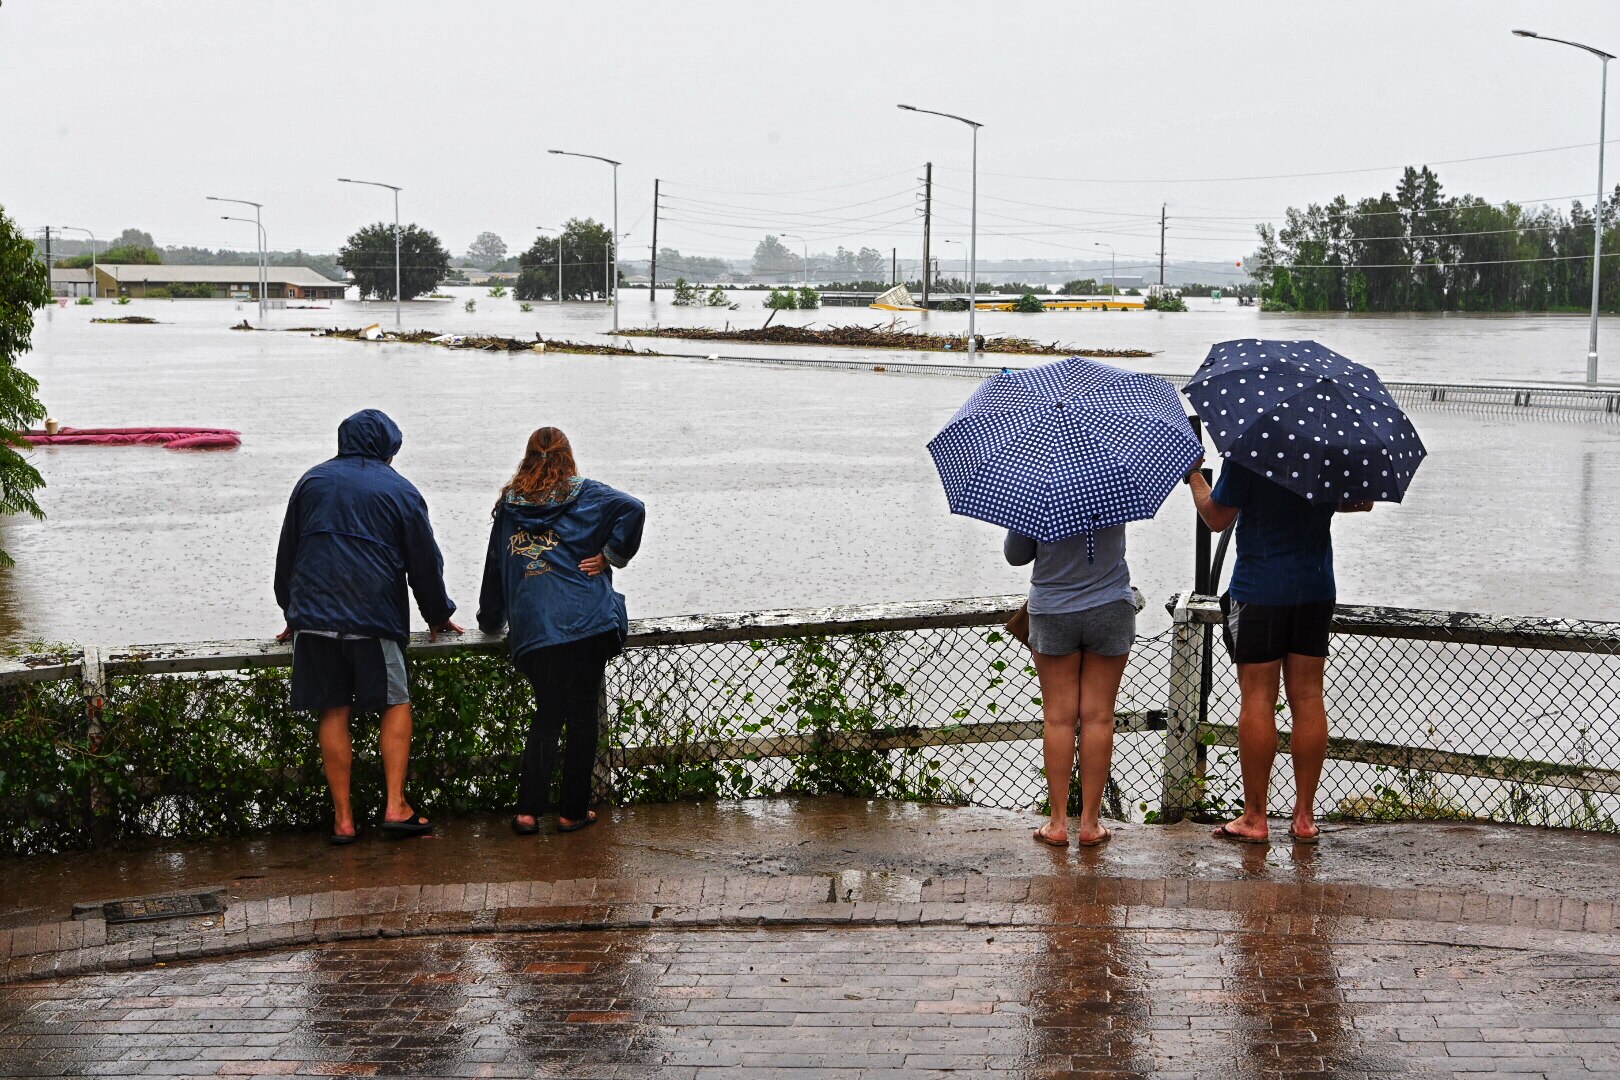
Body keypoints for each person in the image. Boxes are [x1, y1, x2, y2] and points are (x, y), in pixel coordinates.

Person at [274, 409, 462, 845]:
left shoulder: (311, 482)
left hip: (315, 617)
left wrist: (291, 611)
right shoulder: (401, 491)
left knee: (333, 708)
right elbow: (424, 564)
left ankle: (344, 820)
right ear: (388, 447)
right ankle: (395, 806)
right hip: (373, 616)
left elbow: (288, 552)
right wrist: (437, 614)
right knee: (395, 701)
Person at [1187, 457, 1372, 845]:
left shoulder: (1252, 451)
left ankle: (1255, 817)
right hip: (1315, 588)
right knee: (1308, 697)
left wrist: (1195, 477)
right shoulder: (1328, 447)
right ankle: (1304, 818)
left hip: (1260, 588)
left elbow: (1216, 517)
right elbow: (1362, 502)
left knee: (1257, 699)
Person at [478, 427, 645, 836]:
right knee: (584, 717)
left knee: (548, 715)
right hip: (586, 623)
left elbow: (496, 566)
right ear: (568, 456)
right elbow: (634, 508)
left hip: (536, 628)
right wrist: (611, 555)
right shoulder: (589, 494)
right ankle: (572, 812)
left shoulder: (510, 505)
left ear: (528, 457)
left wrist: (490, 620)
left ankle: (528, 813)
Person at [1007, 525, 1137, 848]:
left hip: (1053, 610)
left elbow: (1015, 554)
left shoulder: (1039, 485)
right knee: (1099, 717)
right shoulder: (1113, 479)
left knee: (1058, 719)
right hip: (1110, 607)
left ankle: (1058, 823)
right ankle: (1091, 824)